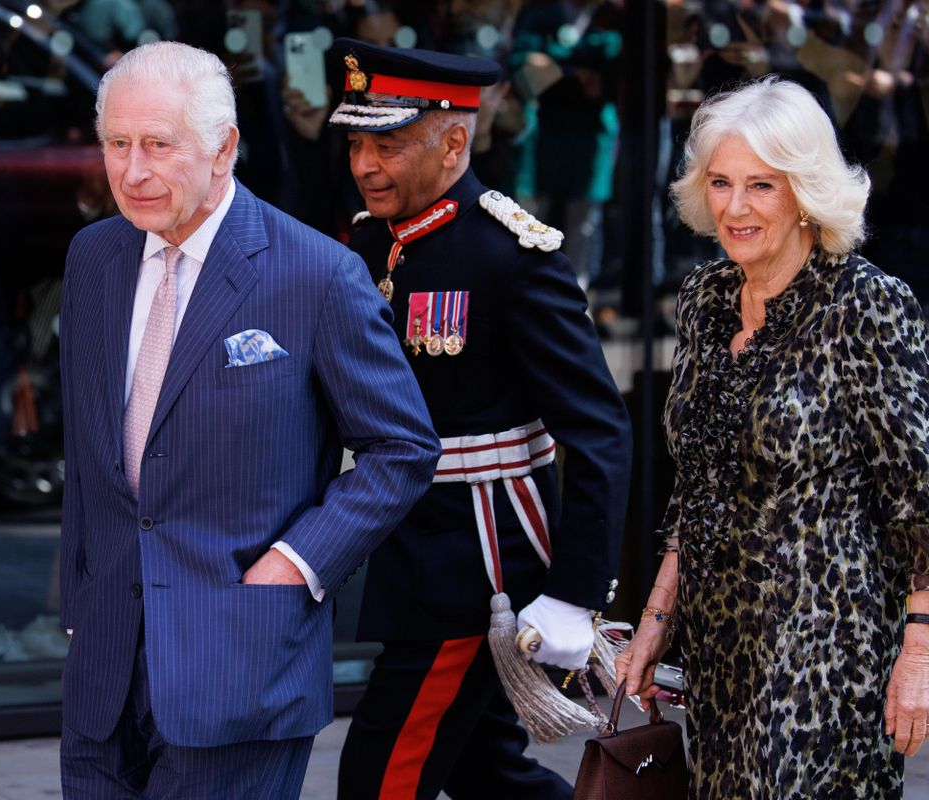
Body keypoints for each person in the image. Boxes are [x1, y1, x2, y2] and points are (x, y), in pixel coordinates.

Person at [57, 40, 440, 798]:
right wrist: (79, 595)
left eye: (160, 146)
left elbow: (402, 447)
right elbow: (93, 451)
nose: (133, 172)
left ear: (224, 148)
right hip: (104, 667)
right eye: (118, 145)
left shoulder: (316, 274)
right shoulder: (93, 257)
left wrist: (294, 565)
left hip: (242, 661)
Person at [327, 38, 633, 799]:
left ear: (455, 140)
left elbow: (598, 430)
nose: (365, 164)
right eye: (357, 142)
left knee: (380, 777)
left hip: (479, 566)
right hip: (405, 548)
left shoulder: (513, 255)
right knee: (484, 770)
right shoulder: (370, 241)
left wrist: (576, 591)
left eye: (388, 145)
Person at [616, 76, 929, 798]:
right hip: (723, 646)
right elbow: (697, 480)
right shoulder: (705, 299)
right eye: (720, 183)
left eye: (761, 185)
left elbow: (920, 497)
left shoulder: (868, 305)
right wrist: (658, 616)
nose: (734, 207)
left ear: (805, 190)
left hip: (828, 650)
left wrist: (918, 652)